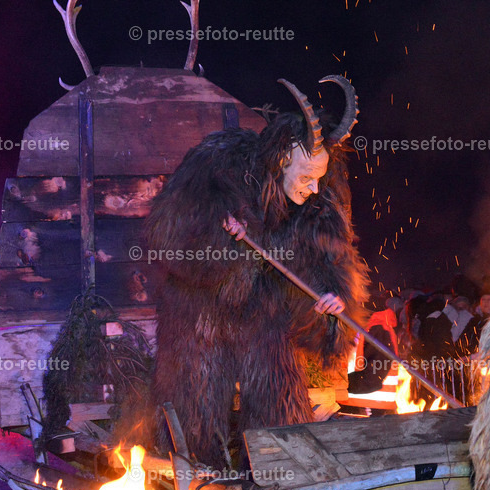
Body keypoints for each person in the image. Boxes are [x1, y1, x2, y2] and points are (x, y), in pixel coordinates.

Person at [146, 76, 368, 468]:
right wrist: (223, 234)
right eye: (305, 177)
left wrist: (331, 299)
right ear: (283, 157)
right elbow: (169, 233)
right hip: (201, 313)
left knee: (277, 403)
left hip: (263, 316)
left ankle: (282, 476)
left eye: (318, 178)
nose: (313, 188)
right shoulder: (218, 162)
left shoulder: (315, 202)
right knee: (196, 401)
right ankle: (192, 475)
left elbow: (328, 260)